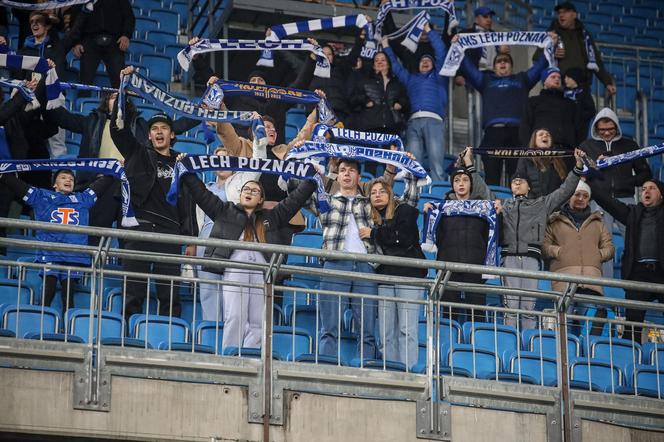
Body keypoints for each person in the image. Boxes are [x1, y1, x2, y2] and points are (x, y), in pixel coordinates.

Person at [180, 168, 317, 350]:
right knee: (235, 315)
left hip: (262, 272)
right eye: (246, 189)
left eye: (254, 190)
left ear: (261, 199)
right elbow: (202, 195)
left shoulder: (272, 217)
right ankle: (230, 357)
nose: (249, 192)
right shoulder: (225, 211)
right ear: (239, 195)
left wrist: (310, 179)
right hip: (235, 269)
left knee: (257, 320)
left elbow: (295, 201)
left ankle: (251, 357)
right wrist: (187, 172)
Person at [46, 90, 200, 239]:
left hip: (129, 186)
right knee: (95, 233)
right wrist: (44, 88)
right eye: (114, 96)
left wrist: (204, 111)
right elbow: (61, 117)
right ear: (106, 102)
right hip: (100, 183)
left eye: (122, 97)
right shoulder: (92, 121)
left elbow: (177, 126)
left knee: (127, 237)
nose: (119, 99)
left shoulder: (139, 125)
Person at [110, 66, 196, 320]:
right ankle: (125, 341)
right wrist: (122, 90)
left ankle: (169, 343)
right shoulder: (136, 154)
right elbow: (118, 128)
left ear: (172, 135)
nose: (159, 131)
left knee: (170, 297)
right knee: (133, 293)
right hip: (139, 230)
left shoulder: (182, 164)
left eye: (164, 128)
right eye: (154, 128)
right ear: (149, 134)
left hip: (170, 234)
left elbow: (188, 204)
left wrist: (190, 239)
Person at [0, 170, 114, 312]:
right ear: (54, 184)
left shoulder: (83, 199)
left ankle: (66, 330)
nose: (68, 180)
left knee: (68, 297)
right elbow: (21, 188)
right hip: (50, 252)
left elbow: (100, 186)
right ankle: (42, 323)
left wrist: (114, 172)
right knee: (49, 292)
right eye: (63, 177)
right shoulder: (42, 197)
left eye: (71, 178)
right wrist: (5, 175)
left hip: (73, 255)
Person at [498, 148, 586, 330]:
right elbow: (481, 191)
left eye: (521, 181)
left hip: (531, 258)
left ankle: (527, 348)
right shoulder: (503, 205)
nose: (517, 183)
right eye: (514, 181)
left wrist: (577, 168)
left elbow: (564, 191)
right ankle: (510, 341)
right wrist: (469, 165)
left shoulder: (541, 204)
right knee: (511, 307)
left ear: (529, 186)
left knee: (528, 307)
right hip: (508, 258)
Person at [309, 158, 379, 360]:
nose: (347, 174)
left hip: (365, 266)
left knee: (367, 330)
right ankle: (326, 369)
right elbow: (296, 193)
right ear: (337, 176)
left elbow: (399, 203)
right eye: (342, 170)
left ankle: (365, 371)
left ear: (359, 177)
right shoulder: (326, 201)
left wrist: (408, 173)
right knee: (329, 326)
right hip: (335, 263)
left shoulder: (370, 203)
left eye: (351, 170)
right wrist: (307, 170)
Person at [194, 134, 266, 322]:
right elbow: (199, 220)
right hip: (206, 238)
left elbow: (259, 162)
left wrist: (259, 140)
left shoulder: (241, 182)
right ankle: (210, 332)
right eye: (218, 158)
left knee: (232, 290)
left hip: (232, 238)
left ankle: (231, 335)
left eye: (226, 158)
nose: (222, 162)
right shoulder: (206, 188)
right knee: (208, 290)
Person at [458, 47, 550, 186]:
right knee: (491, 176)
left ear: (511, 66)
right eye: (499, 61)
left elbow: (540, 66)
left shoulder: (522, 79)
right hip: (493, 133)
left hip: (517, 133)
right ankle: (492, 205)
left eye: (506, 61)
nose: (502, 63)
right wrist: (458, 47)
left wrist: (549, 45)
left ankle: (515, 205)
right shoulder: (485, 80)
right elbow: (467, 67)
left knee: (517, 176)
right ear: (494, 67)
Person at [588, 179, 664, 343]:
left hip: (662, 272)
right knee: (632, 325)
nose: (646, 191)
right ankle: (632, 355)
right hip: (638, 273)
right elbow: (608, 202)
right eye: (643, 189)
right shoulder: (633, 213)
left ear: (661, 194)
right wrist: (590, 181)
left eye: (652, 188)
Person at [423, 147, 493, 324]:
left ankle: (478, 346)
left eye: (464, 180)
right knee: (449, 316)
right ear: (452, 185)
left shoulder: (483, 208)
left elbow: (486, 234)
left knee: (477, 315)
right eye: (456, 180)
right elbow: (438, 236)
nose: (461, 184)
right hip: (448, 266)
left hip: (475, 266)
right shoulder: (441, 209)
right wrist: (428, 215)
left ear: (471, 184)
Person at [580, 108, 652, 277]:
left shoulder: (630, 145)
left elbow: (646, 174)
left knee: (636, 240)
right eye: (602, 130)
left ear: (617, 127)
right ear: (595, 128)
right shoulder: (586, 146)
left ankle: (636, 281)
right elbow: (581, 174)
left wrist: (626, 182)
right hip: (600, 201)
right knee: (603, 245)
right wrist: (595, 167)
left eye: (610, 129)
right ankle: (605, 287)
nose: (606, 133)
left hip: (626, 199)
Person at [365, 174, 423, 368]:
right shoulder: (367, 216)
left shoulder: (404, 210)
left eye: (382, 191)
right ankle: (389, 371)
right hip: (384, 276)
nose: (377, 195)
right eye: (373, 192)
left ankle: (408, 376)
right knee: (385, 331)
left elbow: (403, 237)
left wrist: (374, 234)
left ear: (390, 194)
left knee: (407, 329)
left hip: (409, 275)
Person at [542, 180, 614, 334]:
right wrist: (560, 252)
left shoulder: (598, 222)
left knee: (587, 329)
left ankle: (586, 357)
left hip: (590, 282)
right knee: (564, 326)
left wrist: (597, 254)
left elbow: (609, 248)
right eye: (577, 194)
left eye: (585, 196)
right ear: (569, 196)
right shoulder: (554, 221)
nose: (581, 198)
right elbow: (544, 246)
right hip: (564, 281)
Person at [382, 23, 448, 182]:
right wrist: (386, 47)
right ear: (417, 65)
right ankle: (412, 193)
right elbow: (396, 67)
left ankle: (437, 196)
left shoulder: (439, 77)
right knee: (412, 163)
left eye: (428, 60)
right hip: (413, 122)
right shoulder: (411, 79)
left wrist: (429, 31)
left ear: (434, 64)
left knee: (437, 165)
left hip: (434, 120)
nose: (425, 62)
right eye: (422, 61)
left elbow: (441, 51)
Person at [349, 51, 408, 175]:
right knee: (371, 161)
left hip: (391, 126)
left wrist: (401, 103)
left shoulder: (396, 83)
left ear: (388, 64)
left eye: (383, 60)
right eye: (377, 60)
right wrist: (365, 101)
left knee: (390, 162)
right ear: (373, 65)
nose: (380, 62)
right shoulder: (366, 81)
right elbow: (353, 99)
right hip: (371, 125)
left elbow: (406, 100)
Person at [543, 1, 616, 96]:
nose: (561, 15)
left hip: (583, 88)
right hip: (560, 89)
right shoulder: (551, 35)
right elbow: (537, 58)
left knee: (587, 110)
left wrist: (607, 82)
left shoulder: (585, 36)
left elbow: (596, 60)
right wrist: (551, 53)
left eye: (565, 12)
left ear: (574, 15)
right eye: (559, 13)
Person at [70, 0, 135, 88]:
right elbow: (75, 17)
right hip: (89, 41)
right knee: (84, 82)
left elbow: (129, 16)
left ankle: (119, 101)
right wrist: (76, 42)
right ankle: (82, 100)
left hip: (115, 42)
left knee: (120, 82)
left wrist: (126, 35)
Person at [520, 67, 581, 149]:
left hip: (566, 150)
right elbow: (525, 126)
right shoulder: (533, 102)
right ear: (544, 81)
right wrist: (527, 148)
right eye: (553, 77)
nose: (557, 79)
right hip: (540, 149)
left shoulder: (570, 104)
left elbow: (578, 127)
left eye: (559, 77)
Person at [514, 128, 569, 198]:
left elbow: (565, 185)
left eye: (548, 135)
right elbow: (519, 183)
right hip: (531, 203)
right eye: (541, 134)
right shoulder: (525, 159)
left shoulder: (558, 160)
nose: (545, 136)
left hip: (554, 203)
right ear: (534, 140)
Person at [563, 67, 595, 139]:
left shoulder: (584, 93)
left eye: (568, 78)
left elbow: (591, 111)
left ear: (574, 79)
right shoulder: (563, 93)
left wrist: (579, 117)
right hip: (565, 130)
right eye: (565, 77)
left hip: (579, 131)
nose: (565, 80)